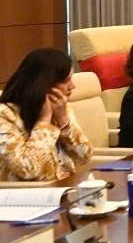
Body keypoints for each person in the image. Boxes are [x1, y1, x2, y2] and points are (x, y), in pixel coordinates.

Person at [0, 48, 93, 182]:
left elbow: (84, 156)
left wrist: (62, 120)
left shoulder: (61, 109)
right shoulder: (4, 116)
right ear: (44, 83)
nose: (72, 86)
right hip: (27, 198)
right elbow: (28, 169)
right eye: (66, 80)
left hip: (63, 190)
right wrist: (44, 122)